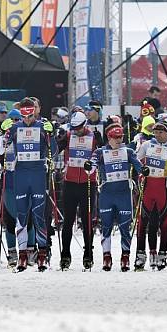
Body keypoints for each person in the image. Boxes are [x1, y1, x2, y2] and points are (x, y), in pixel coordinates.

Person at [0, 98, 56, 271]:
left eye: (30, 115)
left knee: (38, 215)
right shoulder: (16, 128)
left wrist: (51, 135)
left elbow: (53, 151)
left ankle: (42, 255)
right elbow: (1, 150)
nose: (28, 120)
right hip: (21, 174)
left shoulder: (42, 127)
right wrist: (3, 133)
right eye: (24, 116)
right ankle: (22, 256)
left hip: (38, 173)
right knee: (21, 215)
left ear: (35, 112)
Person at [84, 124, 148, 271]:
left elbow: (138, 165)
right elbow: (92, 165)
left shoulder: (128, 151)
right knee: (105, 226)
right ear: (109, 138)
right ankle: (107, 257)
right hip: (107, 194)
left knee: (125, 227)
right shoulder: (100, 152)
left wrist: (143, 170)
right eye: (116, 137)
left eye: (121, 137)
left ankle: (125, 257)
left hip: (124, 194)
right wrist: (89, 167)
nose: (119, 140)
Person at [55, 111, 98, 270]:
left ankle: (88, 256)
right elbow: (54, 151)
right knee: (68, 222)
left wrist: (102, 142)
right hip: (70, 183)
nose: (76, 130)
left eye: (79, 128)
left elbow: (101, 155)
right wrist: (57, 140)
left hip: (88, 184)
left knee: (87, 221)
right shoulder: (68, 135)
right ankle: (65, 256)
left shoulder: (93, 137)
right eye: (74, 127)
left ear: (85, 124)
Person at [135, 120, 167, 271]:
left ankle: (163, 254)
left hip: (163, 187)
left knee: (166, 223)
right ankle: (141, 254)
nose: (157, 135)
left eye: (160, 132)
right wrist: (141, 170)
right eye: (155, 132)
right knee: (144, 221)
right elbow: (135, 159)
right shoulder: (147, 144)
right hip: (149, 187)